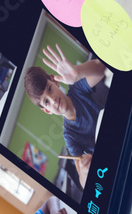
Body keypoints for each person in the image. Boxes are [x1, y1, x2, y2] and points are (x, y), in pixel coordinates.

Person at [22, 45, 109, 189]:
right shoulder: (69, 135)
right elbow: (83, 182)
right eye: (46, 102)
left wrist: (78, 72)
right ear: (47, 111)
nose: (53, 100)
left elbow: (102, 69)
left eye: (50, 89)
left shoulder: (77, 90)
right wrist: (85, 171)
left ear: (55, 83)